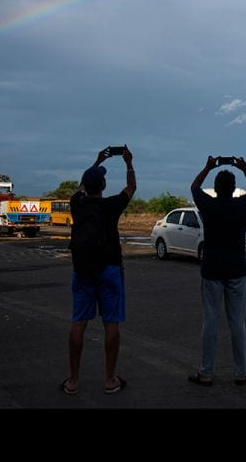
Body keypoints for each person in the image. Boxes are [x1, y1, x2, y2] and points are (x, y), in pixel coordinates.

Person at [59, 146, 136, 396]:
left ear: (86, 184)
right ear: (103, 184)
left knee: (78, 323)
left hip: (83, 270)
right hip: (110, 269)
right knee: (111, 323)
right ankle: (110, 379)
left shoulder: (77, 204)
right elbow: (131, 188)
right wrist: (128, 163)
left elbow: (81, 187)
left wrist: (96, 161)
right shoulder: (112, 205)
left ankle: (72, 381)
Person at [188, 155, 246, 386]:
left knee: (210, 322)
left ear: (217, 189)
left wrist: (208, 166)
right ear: (233, 189)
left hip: (212, 270)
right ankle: (241, 372)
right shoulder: (242, 206)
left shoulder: (209, 205)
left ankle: (206, 373)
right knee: (237, 323)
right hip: (237, 270)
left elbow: (195, 186)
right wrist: (245, 167)